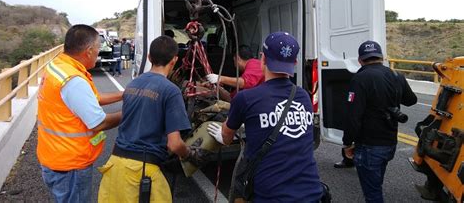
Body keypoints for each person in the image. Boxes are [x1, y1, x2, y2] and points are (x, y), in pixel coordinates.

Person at [207, 32, 323, 202]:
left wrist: (222, 134)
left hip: (271, 195)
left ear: (262, 58)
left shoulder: (245, 98)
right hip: (311, 192)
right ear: (295, 63)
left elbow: (226, 137)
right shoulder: (304, 96)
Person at [98, 35, 211, 202]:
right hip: (142, 173)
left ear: (149, 57)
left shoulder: (133, 85)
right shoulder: (170, 91)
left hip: (114, 167)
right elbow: (174, 143)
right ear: (174, 60)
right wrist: (190, 154)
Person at [37, 24, 123, 202]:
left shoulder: (59, 66)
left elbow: (91, 99)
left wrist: (124, 95)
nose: (99, 53)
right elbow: (99, 123)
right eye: (98, 49)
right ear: (89, 51)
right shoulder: (73, 80)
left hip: (54, 155)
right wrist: (132, 111)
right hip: (70, 165)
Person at [342, 40, 417, 203]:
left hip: (369, 146)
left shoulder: (360, 78)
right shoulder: (396, 75)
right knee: (376, 183)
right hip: (389, 143)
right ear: (381, 57)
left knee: (373, 193)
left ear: (360, 60)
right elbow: (411, 100)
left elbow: (352, 116)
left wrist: (347, 143)